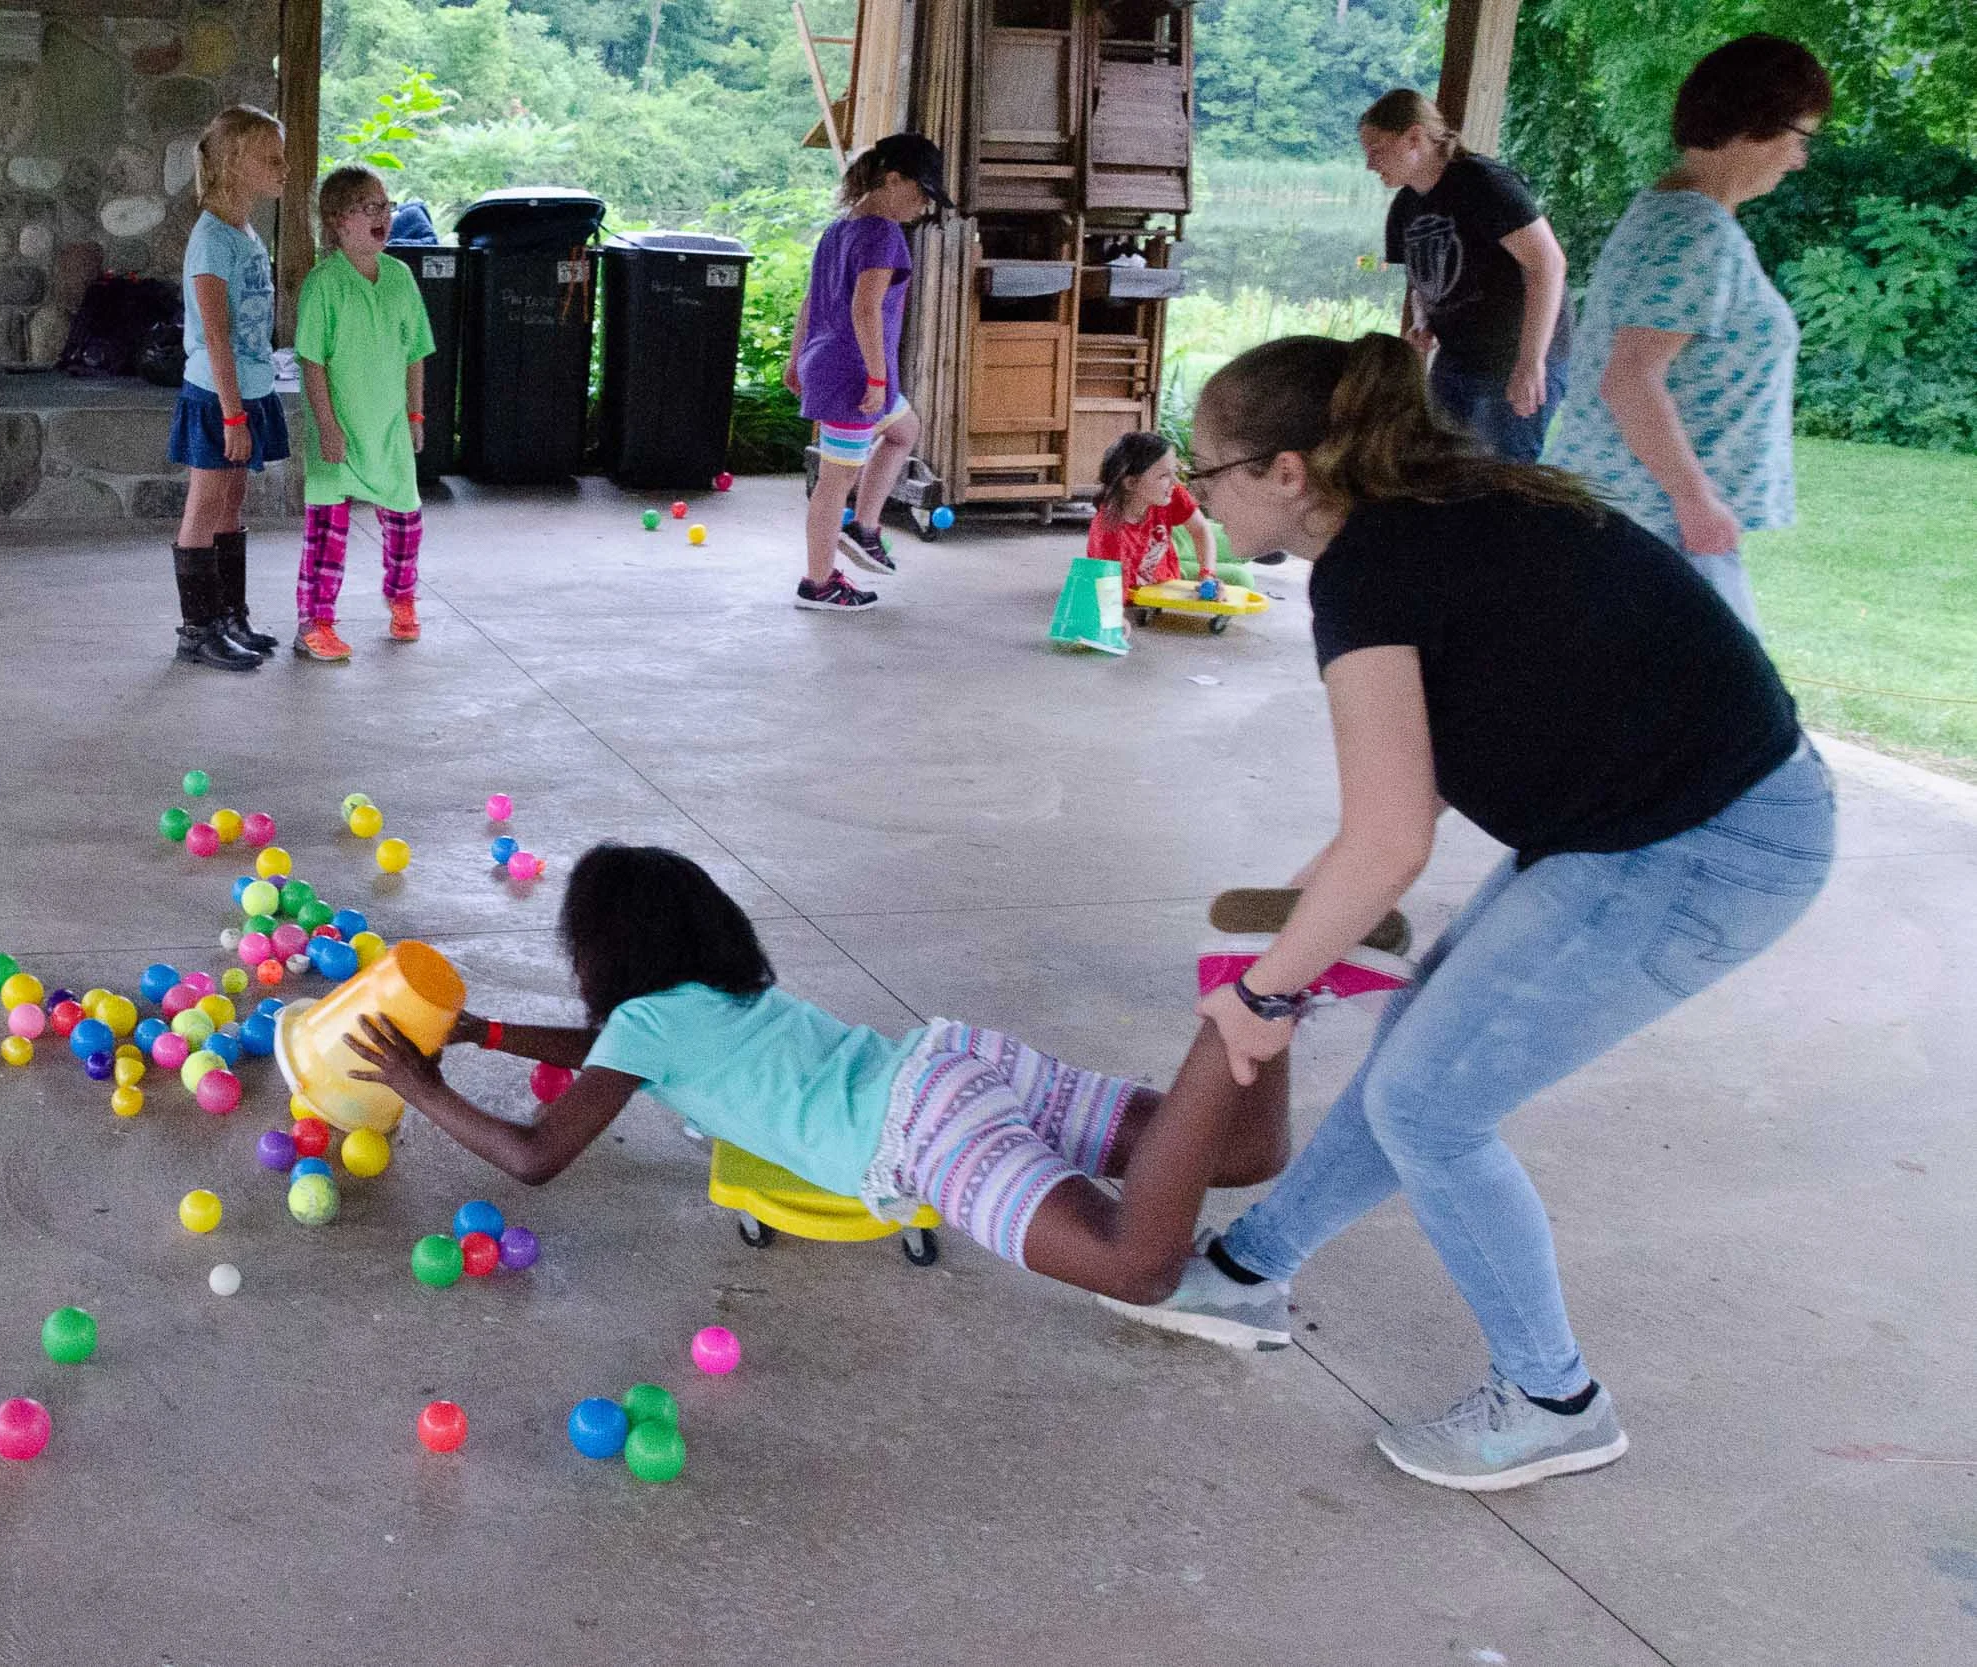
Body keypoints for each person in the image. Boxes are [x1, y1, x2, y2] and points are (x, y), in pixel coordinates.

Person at [1108, 333, 1833, 1493]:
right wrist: (1294, 929)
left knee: (1430, 1104)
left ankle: (1553, 1400)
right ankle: (1248, 1271)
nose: (1196, 494)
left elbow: (1393, 837)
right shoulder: (1435, 514)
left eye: (1208, 469)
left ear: (1287, 472)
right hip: (1646, 818)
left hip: (1701, 843)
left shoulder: (1372, 568)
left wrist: (1265, 991)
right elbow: (1416, 787)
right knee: (1418, 1057)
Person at [346, 845, 1403, 1306]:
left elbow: (536, 1156)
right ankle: (1291, 972)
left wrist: (421, 1086)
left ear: (605, 951)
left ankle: (1249, 987)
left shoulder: (644, 1024)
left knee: (1138, 1265)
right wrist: (486, 1031)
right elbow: (605, 1059)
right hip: (954, 1060)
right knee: (1245, 1149)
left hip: (919, 1131)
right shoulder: (704, 998)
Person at [1548, 35, 1831, 636]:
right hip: (1654, 528)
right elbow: (1630, 379)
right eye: (1799, 137)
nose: (1800, 159)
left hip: (1634, 522)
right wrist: (1695, 500)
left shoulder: (1667, 210)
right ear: (1755, 125)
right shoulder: (1696, 232)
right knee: (1729, 691)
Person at [1359, 89, 1570, 462]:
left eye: (1376, 150)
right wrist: (1423, 319)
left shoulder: (1484, 184)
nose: (1369, 164)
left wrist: (1531, 361)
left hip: (1516, 356)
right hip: (1459, 359)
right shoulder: (1405, 207)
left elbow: (1548, 264)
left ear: (1414, 137)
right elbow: (1421, 284)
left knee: (1502, 475)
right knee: (1436, 465)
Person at [785, 134, 949, 612]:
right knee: (834, 483)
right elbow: (865, 308)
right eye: (921, 192)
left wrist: (796, 358)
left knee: (904, 431)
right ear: (892, 179)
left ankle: (864, 526)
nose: (924, 206)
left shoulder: (839, 230)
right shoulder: (882, 234)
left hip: (834, 365)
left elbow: (811, 301)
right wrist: (877, 379)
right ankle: (818, 584)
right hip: (855, 377)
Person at [291, 163, 436, 662]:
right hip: (338, 432)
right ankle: (315, 622)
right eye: (368, 208)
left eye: (386, 206)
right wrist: (327, 427)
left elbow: (415, 353)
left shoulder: (400, 278)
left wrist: (415, 416)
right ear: (338, 220)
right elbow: (312, 361)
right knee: (327, 533)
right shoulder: (323, 284)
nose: (382, 216)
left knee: (405, 523)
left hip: (389, 428)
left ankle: (402, 599)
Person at [166, 106, 290, 672]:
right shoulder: (212, 240)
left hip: (249, 391)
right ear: (236, 164)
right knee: (206, 503)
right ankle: (198, 630)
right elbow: (215, 336)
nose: (284, 169)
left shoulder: (245, 232)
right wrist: (234, 416)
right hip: (218, 397)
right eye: (272, 159)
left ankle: (229, 616)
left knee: (232, 502)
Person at [1088, 431, 1250, 595]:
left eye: (1174, 472)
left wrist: (1207, 575)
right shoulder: (1107, 534)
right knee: (1240, 578)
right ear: (1131, 483)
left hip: (1167, 564)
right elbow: (1109, 597)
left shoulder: (1170, 494)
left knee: (1242, 551)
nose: (1176, 482)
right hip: (1151, 584)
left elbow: (1200, 529)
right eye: (1164, 475)